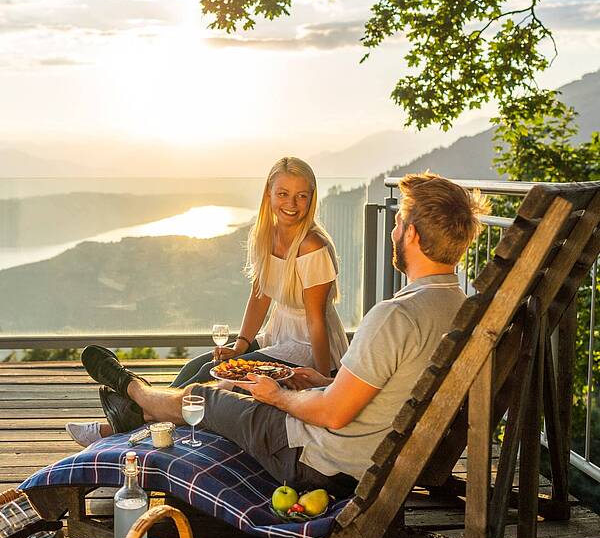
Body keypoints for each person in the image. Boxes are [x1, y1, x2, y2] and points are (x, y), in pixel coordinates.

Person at [77, 173, 489, 493]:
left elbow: (332, 414)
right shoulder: (458, 308)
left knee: (204, 397)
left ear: (412, 235)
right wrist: (323, 381)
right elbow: (379, 390)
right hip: (364, 448)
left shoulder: (396, 316)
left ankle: (133, 391)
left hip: (319, 460)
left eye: (399, 223)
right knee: (226, 382)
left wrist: (281, 397)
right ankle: (135, 410)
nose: (394, 231)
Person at [67, 156, 349, 446]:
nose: (292, 203)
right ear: (268, 193)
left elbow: (315, 320)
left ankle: (118, 427)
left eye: (302, 196)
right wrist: (240, 344)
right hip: (278, 335)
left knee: (209, 382)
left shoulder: (311, 246)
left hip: (306, 346)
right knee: (196, 368)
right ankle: (139, 416)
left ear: (312, 198)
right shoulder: (267, 235)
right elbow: (259, 297)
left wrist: (323, 376)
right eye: (283, 194)